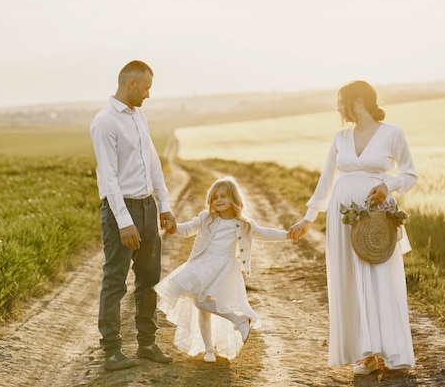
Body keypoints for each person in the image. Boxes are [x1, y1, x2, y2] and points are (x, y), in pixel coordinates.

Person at [288, 80, 418, 375]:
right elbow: (326, 181)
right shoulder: (340, 138)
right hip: (342, 216)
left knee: (380, 278)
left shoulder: (392, 134)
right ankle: (366, 353)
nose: (337, 108)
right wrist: (308, 218)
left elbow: (410, 174)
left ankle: (390, 351)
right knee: (348, 281)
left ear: (358, 101)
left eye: (340, 101)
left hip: (377, 218)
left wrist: (389, 185)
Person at [90, 60, 176, 371]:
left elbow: (153, 162)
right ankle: (112, 351)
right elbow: (109, 177)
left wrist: (163, 205)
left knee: (149, 280)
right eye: (147, 88)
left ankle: (147, 344)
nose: (148, 95)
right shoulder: (105, 122)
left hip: (147, 207)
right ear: (132, 85)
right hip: (119, 212)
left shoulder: (139, 115)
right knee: (115, 282)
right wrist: (124, 221)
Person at [156, 176, 290, 363]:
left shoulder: (242, 224)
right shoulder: (206, 218)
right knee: (202, 307)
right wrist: (173, 227)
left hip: (224, 268)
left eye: (223, 196)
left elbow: (264, 232)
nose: (218, 200)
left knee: (202, 303)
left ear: (233, 198)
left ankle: (239, 320)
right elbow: (186, 229)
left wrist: (287, 235)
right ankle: (209, 349)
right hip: (203, 265)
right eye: (215, 197)